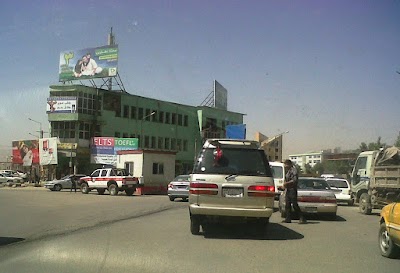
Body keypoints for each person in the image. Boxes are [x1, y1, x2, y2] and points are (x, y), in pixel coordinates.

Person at [281, 159, 307, 224]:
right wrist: (284, 186)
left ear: (289, 164)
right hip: (288, 189)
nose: (284, 166)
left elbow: (294, 180)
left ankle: (302, 218)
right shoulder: (288, 171)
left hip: (293, 189)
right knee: (287, 204)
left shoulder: (294, 170)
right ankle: (288, 218)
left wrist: (286, 184)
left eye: (285, 164)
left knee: (294, 204)